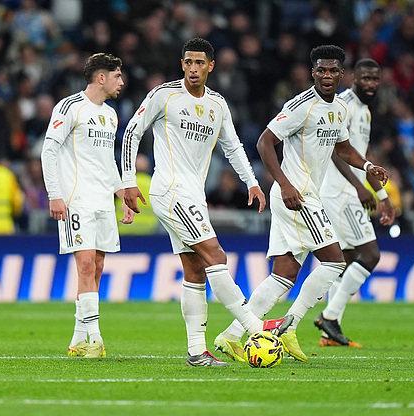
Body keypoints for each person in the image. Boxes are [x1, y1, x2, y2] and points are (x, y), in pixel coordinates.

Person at [122, 38, 292, 367]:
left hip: (193, 195)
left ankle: (197, 351)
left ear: (210, 66)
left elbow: (233, 146)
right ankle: (256, 328)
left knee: (196, 268)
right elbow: (132, 132)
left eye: (199, 63)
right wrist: (128, 180)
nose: (193, 68)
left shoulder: (217, 104)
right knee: (216, 255)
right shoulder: (164, 95)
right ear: (182, 64)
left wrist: (251, 182)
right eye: (188, 62)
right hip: (170, 190)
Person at [214, 45, 388, 363]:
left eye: (333, 70)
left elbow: (343, 148)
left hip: (304, 195)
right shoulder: (301, 105)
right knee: (334, 262)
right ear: (313, 72)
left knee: (283, 275)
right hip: (297, 196)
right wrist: (284, 183)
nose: (326, 75)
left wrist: (367, 166)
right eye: (321, 70)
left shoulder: (340, 108)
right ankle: (289, 327)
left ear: (341, 74)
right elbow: (265, 141)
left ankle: (230, 336)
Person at [40, 53, 133, 359]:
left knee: (98, 266)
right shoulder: (70, 107)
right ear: (101, 77)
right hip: (76, 198)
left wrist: (122, 194)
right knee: (85, 265)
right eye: (117, 76)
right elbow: (48, 151)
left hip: (103, 200)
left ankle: (78, 339)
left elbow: (108, 162)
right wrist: (55, 194)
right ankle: (95, 338)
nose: (121, 82)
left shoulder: (111, 115)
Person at [316, 59, 395, 348]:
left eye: (375, 79)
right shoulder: (344, 105)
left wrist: (383, 196)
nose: (371, 84)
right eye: (365, 78)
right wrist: (359, 188)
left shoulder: (365, 111)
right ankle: (329, 317)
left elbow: (363, 158)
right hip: (340, 193)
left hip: (346, 192)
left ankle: (329, 333)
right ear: (353, 78)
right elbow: (336, 151)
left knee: (345, 261)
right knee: (371, 255)